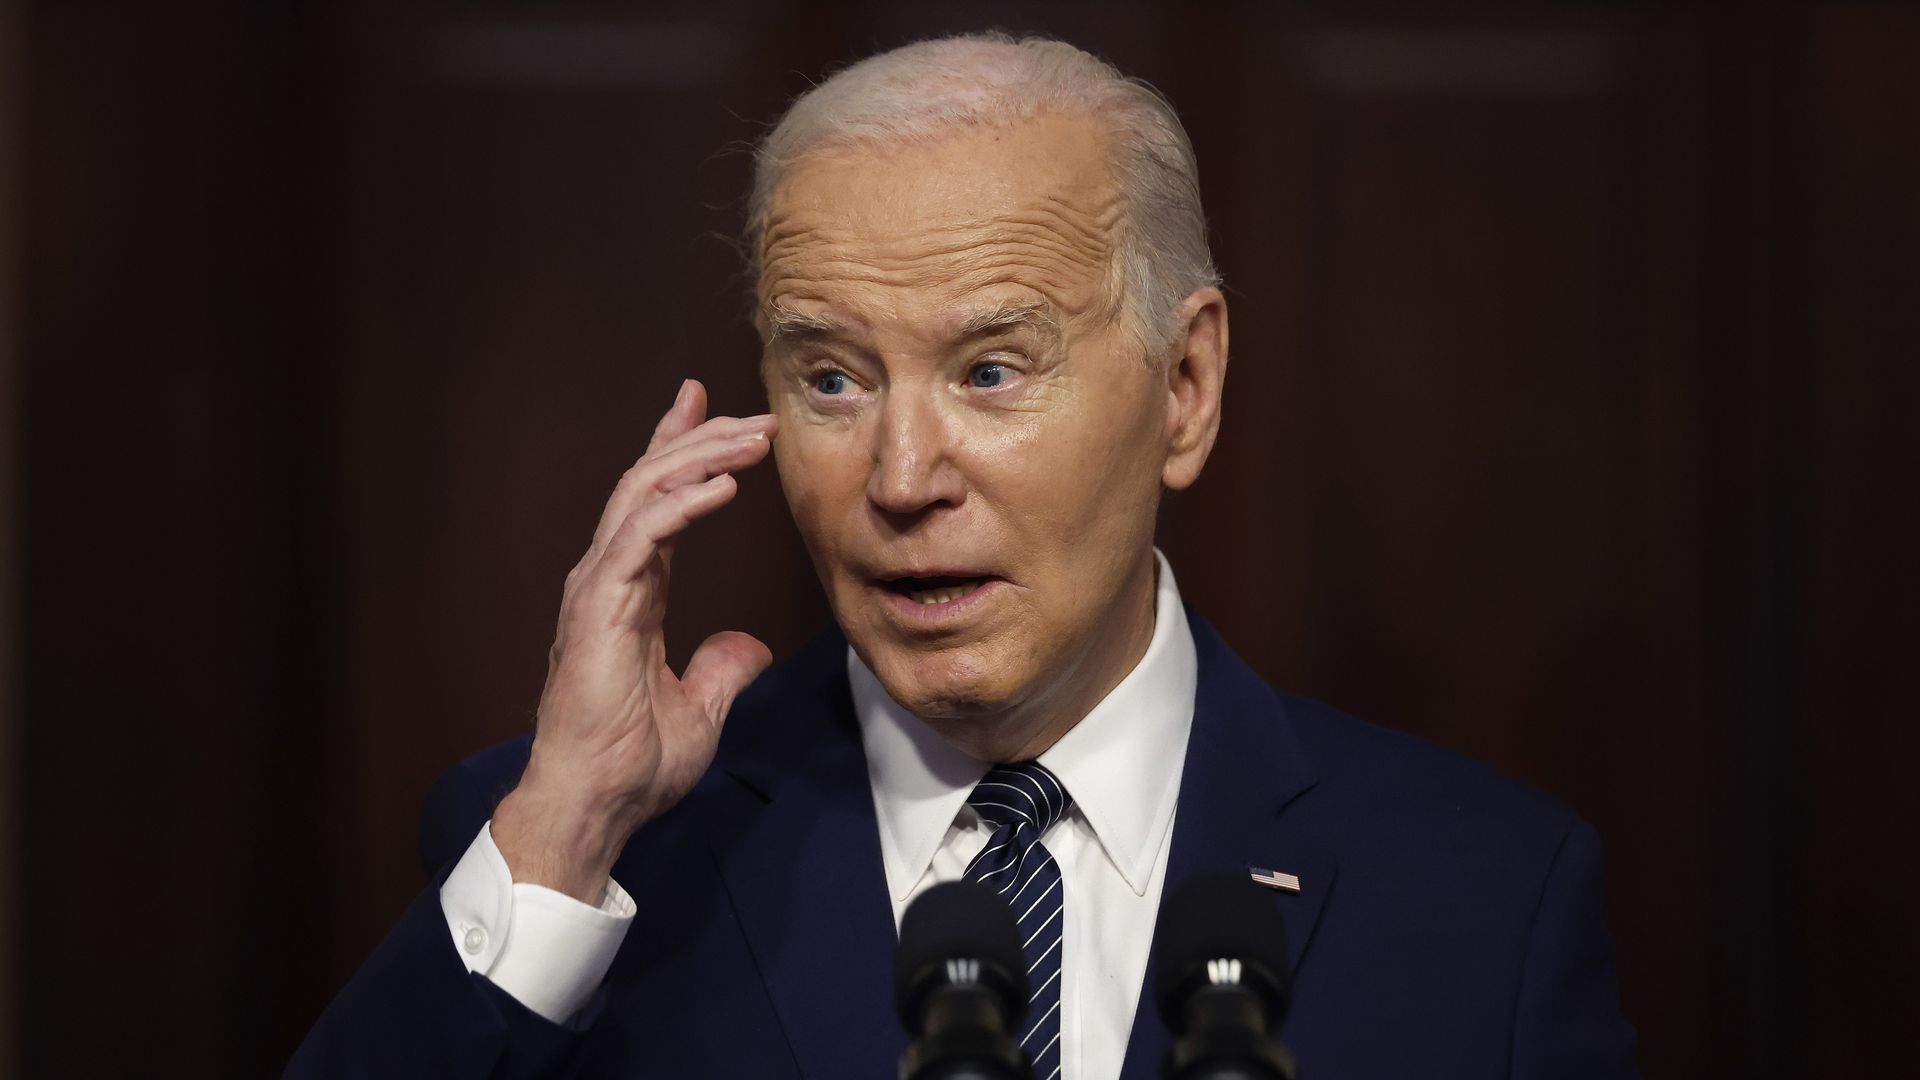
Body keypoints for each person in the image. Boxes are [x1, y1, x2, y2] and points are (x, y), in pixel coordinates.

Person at [288, 33, 1638, 1080]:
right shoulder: (587, 858)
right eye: (831, 379)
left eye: (991, 370)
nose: (901, 477)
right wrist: (567, 823)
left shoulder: (1482, 902)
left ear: (1186, 385)